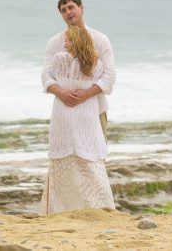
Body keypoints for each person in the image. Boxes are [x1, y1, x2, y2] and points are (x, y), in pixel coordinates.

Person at [39, 25, 115, 213]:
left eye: (69, 40)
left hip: (77, 112)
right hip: (79, 113)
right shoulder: (94, 62)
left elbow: (48, 76)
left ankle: (71, 208)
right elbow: (47, 77)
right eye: (65, 39)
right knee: (82, 157)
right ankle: (92, 206)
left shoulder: (66, 59)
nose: (64, 43)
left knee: (80, 157)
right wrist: (66, 92)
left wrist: (77, 93)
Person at [41, 0, 116, 138]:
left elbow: (110, 75)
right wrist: (62, 93)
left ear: (81, 8)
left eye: (71, 7)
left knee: (96, 157)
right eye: (63, 10)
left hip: (95, 110)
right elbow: (45, 76)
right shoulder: (55, 42)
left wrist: (86, 94)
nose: (68, 12)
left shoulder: (100, 39)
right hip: (64, 111)